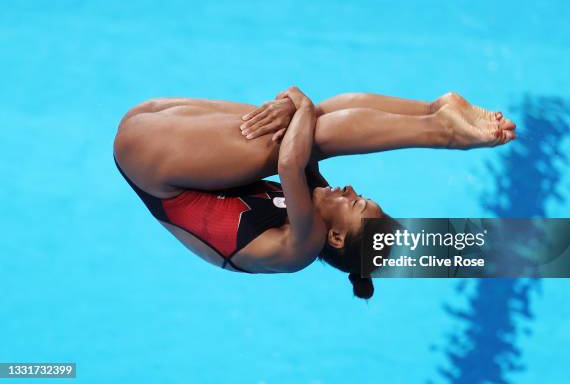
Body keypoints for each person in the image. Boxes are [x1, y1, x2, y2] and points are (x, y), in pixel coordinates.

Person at [113, 87, 516, 299]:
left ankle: (441, 131)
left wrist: (299, 102)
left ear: (337, 237)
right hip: (146, 131)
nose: (352, 189)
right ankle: (433, 109)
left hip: (149, 160)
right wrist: (298, 108)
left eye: (356, 203)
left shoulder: (301, 247)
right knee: (312, 123)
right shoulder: (317, 207)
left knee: (312, 130)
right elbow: (299, 143)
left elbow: (291, 162)